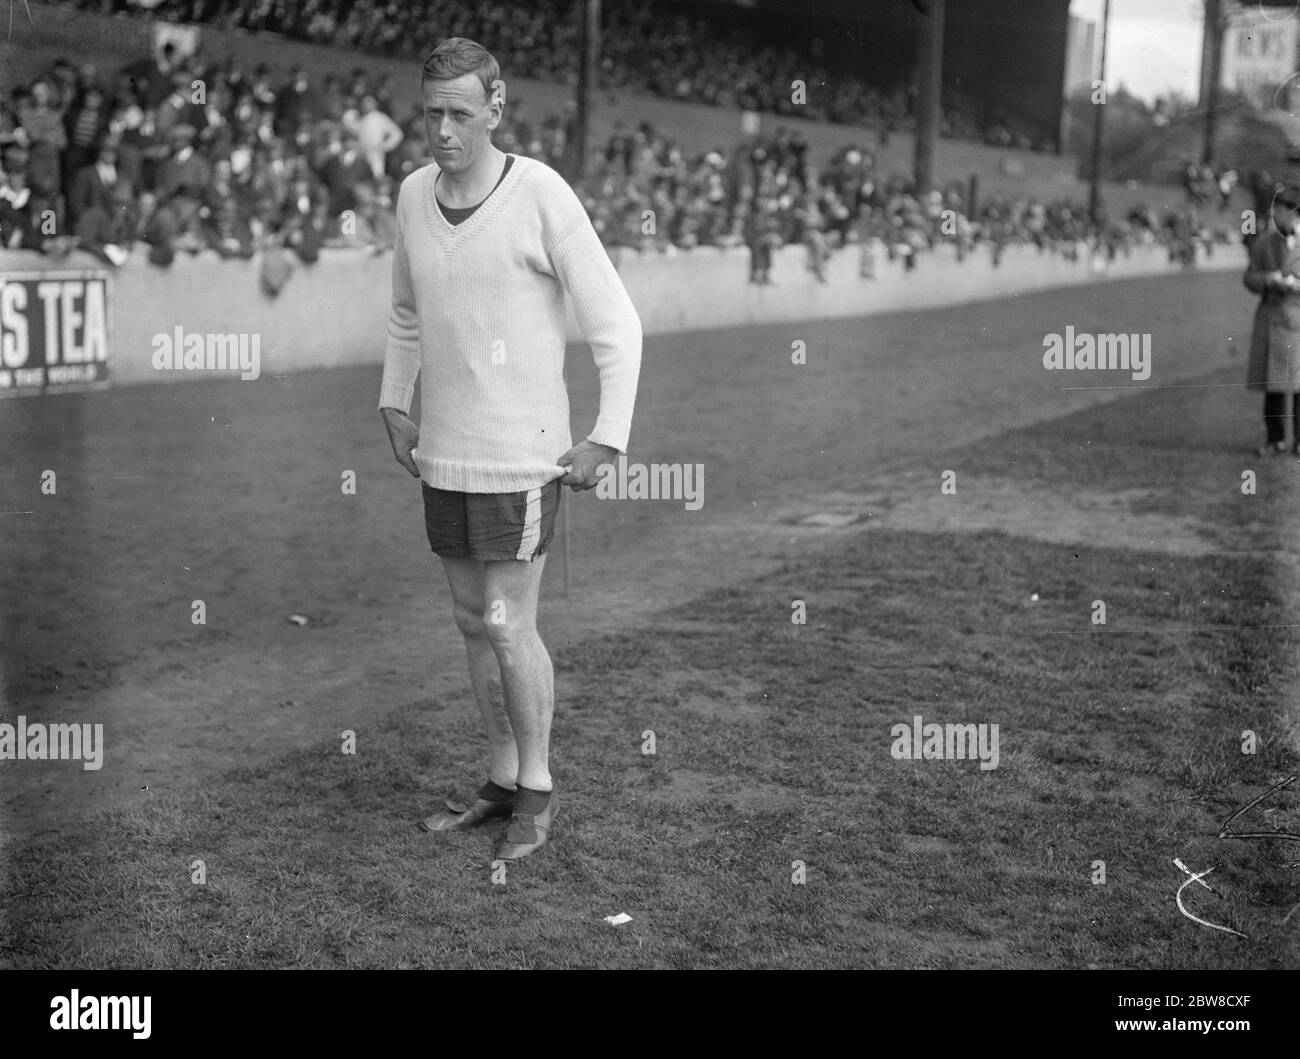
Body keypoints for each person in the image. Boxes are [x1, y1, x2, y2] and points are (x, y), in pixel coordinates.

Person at [378, 38, 641, 861]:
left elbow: (617, 324)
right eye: (432, 113)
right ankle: (498, 778)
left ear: (496, 109)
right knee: (469, 619)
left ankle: (538, 786)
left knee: (505, 621)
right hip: (444, 455)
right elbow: (405, 313)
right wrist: (394, 398)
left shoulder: (540, 194)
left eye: (461, 113)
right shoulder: (414, 195)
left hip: (520, 461)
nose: (444, 130)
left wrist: (608, 434)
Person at [1243, 183, 1300, 458]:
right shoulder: (1265, 242)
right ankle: (1274, 439)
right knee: (1274, 387)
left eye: (1283, 211)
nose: (1278, 216)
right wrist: (1270, 279)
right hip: (1273, 318)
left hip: (1299, 320)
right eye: (1276, 210)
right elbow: (1249, 277)